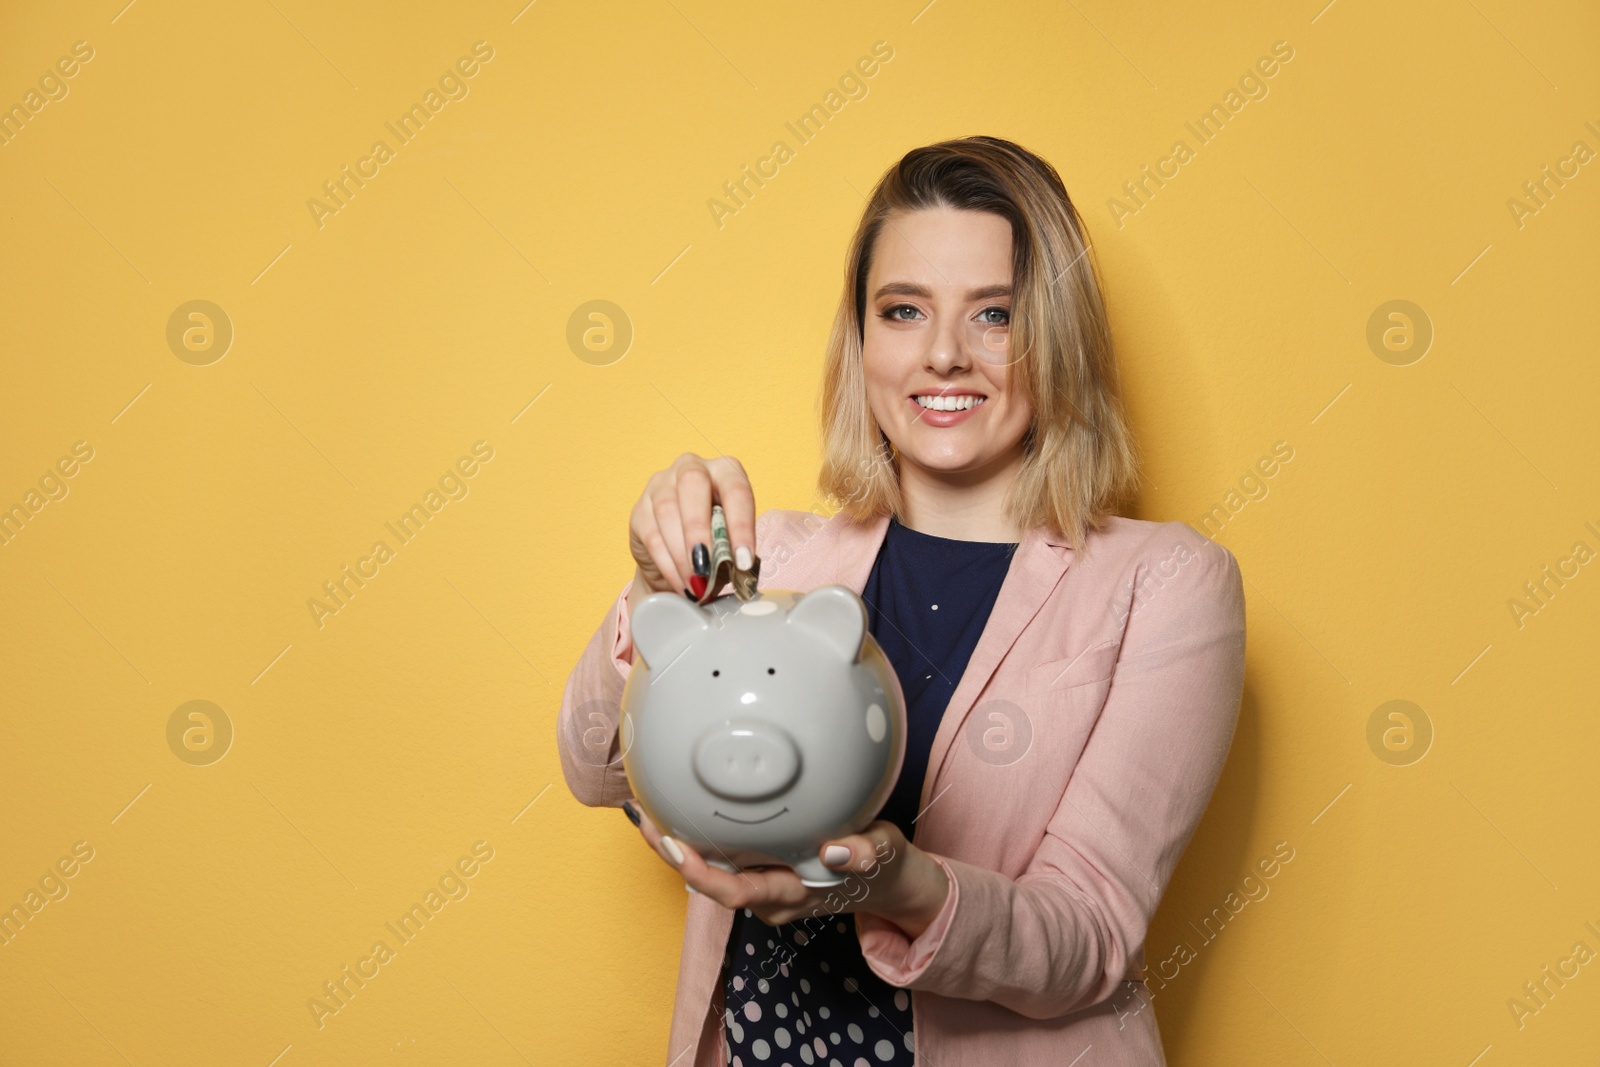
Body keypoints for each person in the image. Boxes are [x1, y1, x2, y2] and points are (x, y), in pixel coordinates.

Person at [556, 135, 1247, 1066]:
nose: (946, 356)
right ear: (863, 337)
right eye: (904, 310)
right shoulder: (774, 561)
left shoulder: (1165, 584)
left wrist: (895, 883)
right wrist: (653, 579)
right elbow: (598, 771)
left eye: (995, 314)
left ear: (1059, 335)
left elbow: (1085, 939)